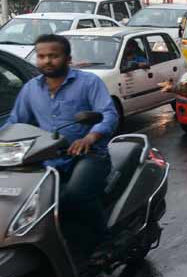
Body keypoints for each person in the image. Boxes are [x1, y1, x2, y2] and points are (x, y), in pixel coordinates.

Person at [5, 34, 119, 260]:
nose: (47, 61)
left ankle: (106, 241)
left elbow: (108, 113)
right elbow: (16, 122)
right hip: (46, 158)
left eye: (53, 56)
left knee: (75, 195)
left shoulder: (88, 82)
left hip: (90, 155)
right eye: (42, 56)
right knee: (28, 201)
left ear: (67, 58)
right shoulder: (31, 89)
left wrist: (90, 137)